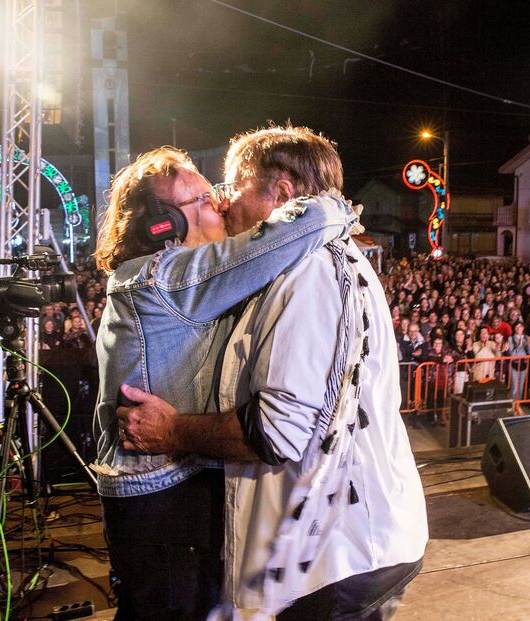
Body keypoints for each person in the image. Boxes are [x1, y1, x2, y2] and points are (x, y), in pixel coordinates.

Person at [119, 126, 428, 619]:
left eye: (230, 188)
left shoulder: (310, 273)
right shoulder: (307, 263)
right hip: (325, 553)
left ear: (281, 194)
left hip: (333, 561)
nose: (222, 205)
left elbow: (275, 433)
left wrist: (172, 430)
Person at [93, 145, 358, 620]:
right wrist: (334, 202)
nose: (217, 203)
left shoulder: (189, 277)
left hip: (181, 487)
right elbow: (307, 225)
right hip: (163, 496)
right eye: (199, 200)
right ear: (162, 225)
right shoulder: (161, 277)